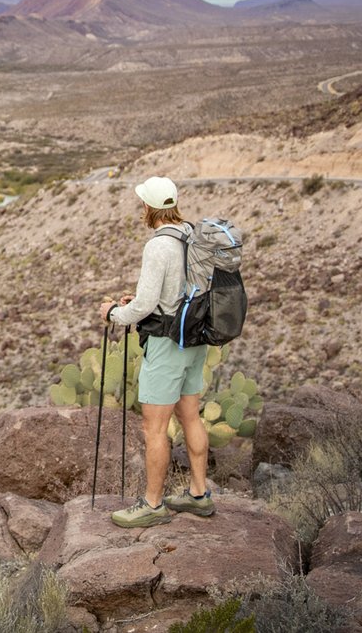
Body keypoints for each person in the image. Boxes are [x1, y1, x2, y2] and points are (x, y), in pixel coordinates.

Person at [100, 175, 215, 527]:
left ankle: (152, 504)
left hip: (167, 345)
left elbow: (148, 303)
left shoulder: (158, 246)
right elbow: (178, 291)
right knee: (191, 416)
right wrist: (137, 302)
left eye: (143, 204)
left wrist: (114, 313)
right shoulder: (194, 235)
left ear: (149, 207)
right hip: (194, 339)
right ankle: (198, 495)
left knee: (154, 428)